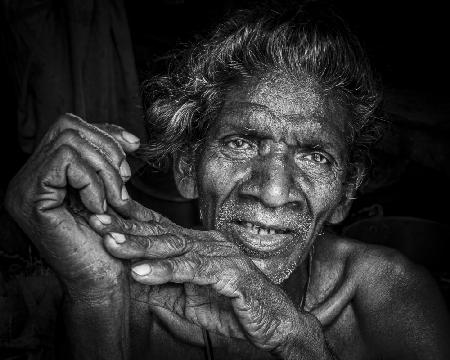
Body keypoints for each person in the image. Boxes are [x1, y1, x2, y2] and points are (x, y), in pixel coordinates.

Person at [5, 2, 450, 359]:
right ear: (186, 167)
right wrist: (96, 298)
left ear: (345, 195)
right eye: (241, 144)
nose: (274, 191)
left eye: (315, 156)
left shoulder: (390, 297)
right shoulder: (126, 300)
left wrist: (296, 339)